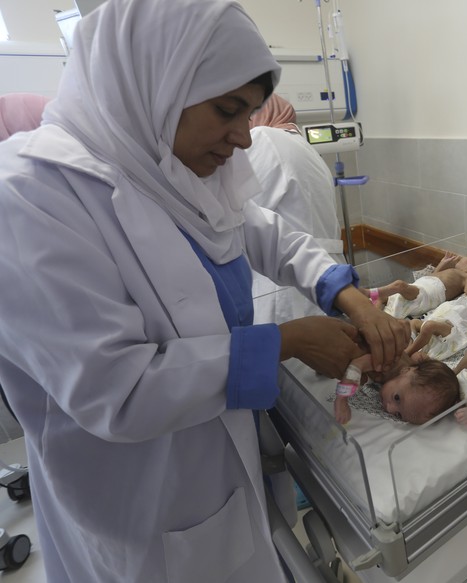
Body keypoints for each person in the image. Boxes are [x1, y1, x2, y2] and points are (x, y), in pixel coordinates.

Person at [0, 1, 408, 581]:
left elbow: (261, 231)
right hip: (139, 502)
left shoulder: (167, 170)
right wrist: (286, 342)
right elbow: (118, 388)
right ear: (157, 83)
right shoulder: (29, 196)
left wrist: (341, 291)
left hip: (219, 467)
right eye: (228, 110)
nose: (245, 138)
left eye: (251, 112)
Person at [247, 93, 343, 323]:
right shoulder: (305, 147)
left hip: (289, 284)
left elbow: (239, 212)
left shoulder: (263, 137)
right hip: (324, 274)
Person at [364, 250, 467, 319]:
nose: (460, 257)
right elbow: (433, 276)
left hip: (425, 296)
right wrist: (442, 264)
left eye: (466, 256)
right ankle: (373, 316)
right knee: (385, 299)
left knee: (400, 285)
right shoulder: (454, 271)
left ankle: (368, 293)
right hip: (421, 288)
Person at [333, 352, 460, 425]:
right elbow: (356, 365)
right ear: (406, 371)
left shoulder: (406, 378)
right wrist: (342, 400)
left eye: (398, 414)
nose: (389, 408)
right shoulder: (386, 362)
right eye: (397, 398)